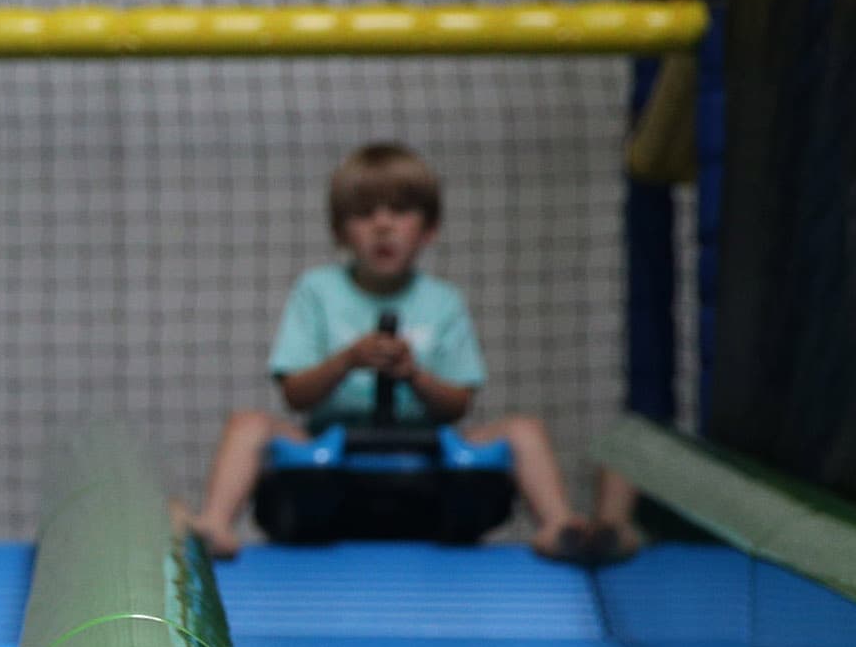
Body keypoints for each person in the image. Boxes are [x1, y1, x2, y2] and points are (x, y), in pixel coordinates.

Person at [185, 142, 637, 563]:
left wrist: (413, 375)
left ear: (428, 229)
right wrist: (348, 360)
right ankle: (216, 524)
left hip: (426, 456)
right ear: (341, 231)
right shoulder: (316, 291)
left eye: (400, 211)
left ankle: (558, 524)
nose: (383, 225)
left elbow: (458, 405)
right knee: (248, 424)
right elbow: (295, 395)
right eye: (364, 214)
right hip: (331, 448)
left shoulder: (443, 301)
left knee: (524, 429)